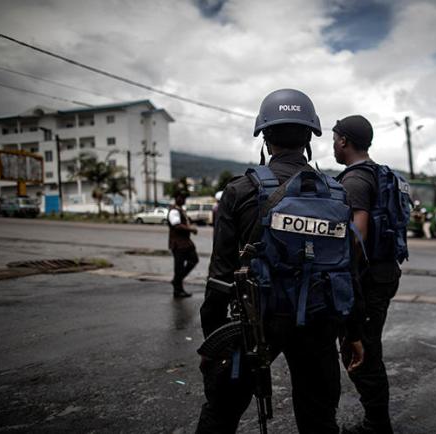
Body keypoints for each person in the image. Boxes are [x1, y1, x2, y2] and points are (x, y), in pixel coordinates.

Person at [196, 89, 363, 434]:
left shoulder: (240, 191)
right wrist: (353, 333)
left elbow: (220, 276)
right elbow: (349, 269)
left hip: (256, 322)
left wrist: (213, 339)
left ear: (265, 136)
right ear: (309, 138)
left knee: (221, 414)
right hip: (319, 322)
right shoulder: (335, 193)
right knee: (319, 419)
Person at [333, 115, 403, 434]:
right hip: (385, 271)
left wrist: (345, 280)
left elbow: (356, 238)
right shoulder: (378, 173)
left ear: (344, 141)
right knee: (365, 347)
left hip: (368, 277)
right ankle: (378, 421)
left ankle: (377, 425)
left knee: (361, 351)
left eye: (335, 138)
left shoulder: (355, 181)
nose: (333, 144)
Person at [168, 190, 199, 298]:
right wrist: (190, 229)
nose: (183, 200)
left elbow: (184, 221)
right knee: (179, 267)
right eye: (181, 197)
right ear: (176, 198)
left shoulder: (180, 210)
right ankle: (178, 290)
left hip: (185, 242)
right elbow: (176, 225)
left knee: (194, 259)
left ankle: (177, 280)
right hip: (178, 243)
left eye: (184, 198)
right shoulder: (174, 211)